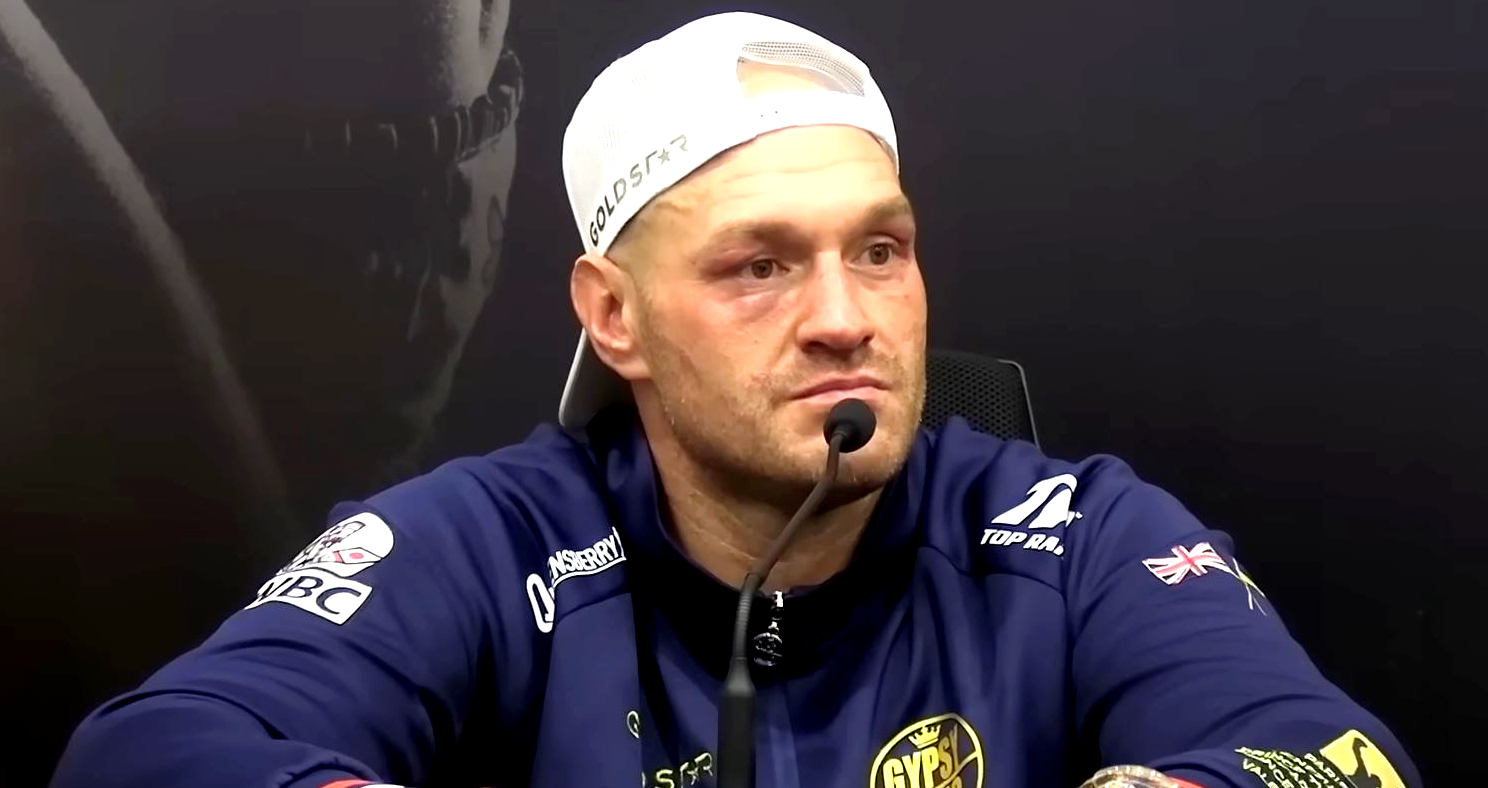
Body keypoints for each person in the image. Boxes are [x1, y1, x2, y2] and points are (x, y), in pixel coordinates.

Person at [50, 12, 1419, 788]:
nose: (844, 317)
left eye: (878, 250)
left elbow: (1333, 756)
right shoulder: (490, 542)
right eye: (759, 266)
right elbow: (146, 756)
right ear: (614, 318)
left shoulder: (1073, 535)